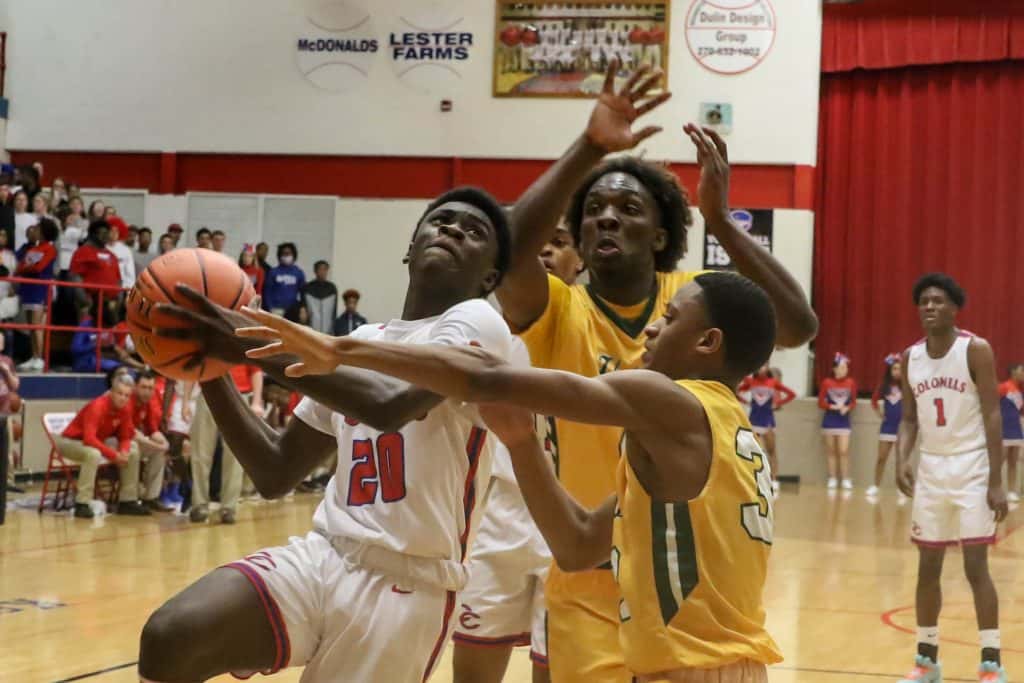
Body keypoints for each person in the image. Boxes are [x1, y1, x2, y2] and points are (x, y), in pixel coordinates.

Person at [238, 270, 784, 682]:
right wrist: (522, 444)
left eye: (671, 316)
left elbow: (486, 378)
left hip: (694, 669)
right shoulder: (725, 428)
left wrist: (339, 349)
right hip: (717, 666)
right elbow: (577, 546)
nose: (654, 326)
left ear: (707, 343)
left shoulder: (669, 400)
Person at [491, 61, 816, 682]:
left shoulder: (689, 301)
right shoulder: (558, 308)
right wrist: (588, 148)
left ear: (662, 232)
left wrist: (721, 222)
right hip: (589, 572)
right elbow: (506, 258)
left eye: (628, 207)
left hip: (687, 591)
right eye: (594, 209)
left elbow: (796, 325)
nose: (607, 217)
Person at [138, 185, 515, 682]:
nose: (452, 230)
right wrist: (206, 363)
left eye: (473, 231)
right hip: (325, 554)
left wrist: (245, 343)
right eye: (441, 220)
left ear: (489, 277)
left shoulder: (480, 324)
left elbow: (390, 404)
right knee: (172, 636)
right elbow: (275, 471)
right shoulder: (359, 341)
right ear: (410, 248)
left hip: (408, 584)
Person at [451, 224, 583, 683]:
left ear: (581, 259)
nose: (545, 249)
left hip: (574, 517)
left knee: (556, 673)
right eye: (537, 240)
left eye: (560, 242)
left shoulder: (595, 330)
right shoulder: (482, 331)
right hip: (497, 514)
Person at [896, 274, 1009, 683]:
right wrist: (901, 458)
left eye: (939, 300)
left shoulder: (975, 349)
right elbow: (909, 418)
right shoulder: (910, 357)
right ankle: (927, 662)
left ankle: (991, 663)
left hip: (971, 465)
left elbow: (993, 414)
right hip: (932, 468)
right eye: (924, 300)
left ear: (955, 308)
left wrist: (996, 480)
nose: (930, 306)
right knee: (928, 566)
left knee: (976, 566)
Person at [55, 372, 150, 519]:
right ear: (111, 392)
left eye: (126, 395)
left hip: (96, 442)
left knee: (133, 448)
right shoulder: (97, 406)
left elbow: (125, 436)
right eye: (120, 393)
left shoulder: (125, 409)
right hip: (70, 442)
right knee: (93, 454)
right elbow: (89, 439)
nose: (123, 398)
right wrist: (114, 455)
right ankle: (82, 503)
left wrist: (123, 452)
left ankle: (127, 501)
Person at [188, 364, 263, 525]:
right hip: (207, 393)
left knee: (235, 456)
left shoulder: (244, 346)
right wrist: (185, 401)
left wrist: (257, 401)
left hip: (239, 396)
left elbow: (255, 370)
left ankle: (229, 507)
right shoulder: (206, 344)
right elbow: (193, 365)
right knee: (200, 453)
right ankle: (199, 504)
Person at [737, 363, 796, 499]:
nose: (762, 369)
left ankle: (774, 480)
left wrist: (778, 403)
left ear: (768, 368)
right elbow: (736, 391)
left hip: (768, 421)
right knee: (751, 451)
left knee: (771, 450)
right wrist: (746, 402)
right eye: (760, 366)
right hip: (753, 421)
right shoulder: (751, 382)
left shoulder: (773, 382)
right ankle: (751, 480)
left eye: (765, 366)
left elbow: (791, 394)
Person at [15, 218, 59, 372]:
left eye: (38, 229)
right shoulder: (34, 248)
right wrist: (27, 268)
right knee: (31, 326)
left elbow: (38, 268)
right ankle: (33, 356)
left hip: (40, 289)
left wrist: (27, 268)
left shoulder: (50, 249)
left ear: (45, 232)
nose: (35, 231)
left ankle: (39, 358)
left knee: (36, 325)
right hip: (27, 288)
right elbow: (20, 267)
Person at [131, 368, 172, 512]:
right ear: (135, 386)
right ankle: (130, 499)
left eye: (150, 388)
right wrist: (157, 445)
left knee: (159, 451)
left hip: (131, 442)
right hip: (111, 441)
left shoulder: (147, 403)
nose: (147, 392)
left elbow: (152, 430)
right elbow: (131, 433)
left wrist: (164, 443)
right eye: (143, 387)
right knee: (133, 449)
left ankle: (150, 497)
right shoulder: (126, 399)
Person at [819, 353, 856, 491]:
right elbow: (820, 402)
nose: (844, 370)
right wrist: (832, 406)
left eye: (846, 368)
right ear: (834, 369)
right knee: (831, 451)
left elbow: (853, 402)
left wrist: (847, 407)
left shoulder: (851, 383)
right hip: (829, 421)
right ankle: (832, 478)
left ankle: (845, 479)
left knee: (843, 451)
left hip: (843, 422)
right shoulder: (826, 383)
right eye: (841, 367)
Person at [69, 220, 121, 317]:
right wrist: (85, 300)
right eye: (103, 233)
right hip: (90, 303)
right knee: (88, 327)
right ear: (93, 234)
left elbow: (118, 279)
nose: (106, 236)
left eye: (107, 233)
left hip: (110, 304)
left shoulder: (112, 255)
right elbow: (75, 277)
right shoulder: (82, 252)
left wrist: (118, 298)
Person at [868, 353, 903, 498]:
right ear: (889, 370)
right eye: (894, 369)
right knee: (881, 458)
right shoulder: (884, 386)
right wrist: (880, 415)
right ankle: (875, 486)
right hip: (887, 426)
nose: (897, 371)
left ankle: (901, 488)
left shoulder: (907, 386)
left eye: (899, 369)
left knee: (900, 460)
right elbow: (874, 401)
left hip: (901, 428)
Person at [997, 363, 1023, 503]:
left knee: (1013, 462)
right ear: (1013, 371)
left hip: (1016, 429)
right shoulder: (1003, 387)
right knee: (999, 462)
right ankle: (994, 489)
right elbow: (992, 405)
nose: (1023, 374)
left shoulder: (1019, 390)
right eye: (1021, 370)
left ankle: (1011, 491)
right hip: (1004, 429)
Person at [263, 242, 306, 315]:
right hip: (276, 309)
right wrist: (270, 307)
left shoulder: (298, 273)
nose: (286, 256)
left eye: (288, 253)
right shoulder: (273, 272)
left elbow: (303, 292)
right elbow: (267, 292)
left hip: (292, 310)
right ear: (280, 256)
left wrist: (303, 307)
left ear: (293, 255)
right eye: (284, 254)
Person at [302, 260, 338, 335]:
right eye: (320, 269)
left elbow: (334, 312)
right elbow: (304, 310)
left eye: (325, 269)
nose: (322, 272)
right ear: (315, 271)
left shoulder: (332, 288)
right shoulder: (308, 288)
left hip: (328, 332)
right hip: (311, 331)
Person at [105, 216, 136, 290]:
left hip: (122, 287)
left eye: (116, 231)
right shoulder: (101, 247)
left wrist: (128, 289)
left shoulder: (126, 250)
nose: (114, 233)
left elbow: (130, 273)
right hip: (104, 286)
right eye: (111, 230)